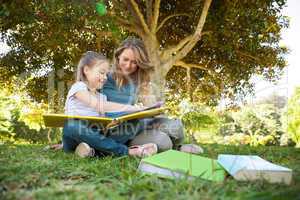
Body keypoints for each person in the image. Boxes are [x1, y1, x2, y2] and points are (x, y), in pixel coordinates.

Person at [102, 37, 203, 153]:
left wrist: (154, 109)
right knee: (162, 141)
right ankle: (175, 148)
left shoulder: (137, 80)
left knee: (175, 127)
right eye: (125, 59)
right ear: (118, 56)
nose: (128, 66)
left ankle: (176, 146)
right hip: (121, 131)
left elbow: (148, 108)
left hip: (139, 124)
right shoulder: (103, 78)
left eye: (134, 62)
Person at [62, 51, 158, 158]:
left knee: (132, 123)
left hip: (96, 135)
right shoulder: (79, 87)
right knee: (73, 126)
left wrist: (113, 124)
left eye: (106, 74)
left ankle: (92, 152)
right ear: (86, 70)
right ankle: (128, 152)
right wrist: (132, 108)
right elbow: (99, 105)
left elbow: (103, 124)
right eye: (101, 73)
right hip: (75, 135)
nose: (105, 77)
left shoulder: (102, 96)